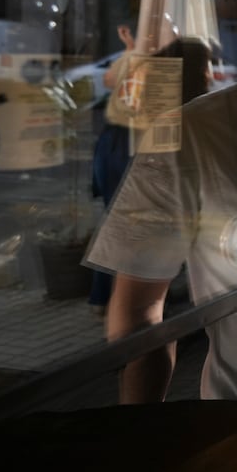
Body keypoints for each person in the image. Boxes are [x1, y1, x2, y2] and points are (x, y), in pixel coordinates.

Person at [85, 38, 237, 404]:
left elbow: (138, 310)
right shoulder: (185, 133)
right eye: (202, 69)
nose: (210, 76)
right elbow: (138, 311)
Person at [87, 23, 136, 316]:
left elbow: (110, 78)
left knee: (117, 224)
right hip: (120, 145)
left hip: (117, 144)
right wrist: (132, 51)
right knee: (120, 224)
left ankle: (104, 296)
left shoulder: (136, 62)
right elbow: (110, 78)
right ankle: (106, 296)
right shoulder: (137, 64)